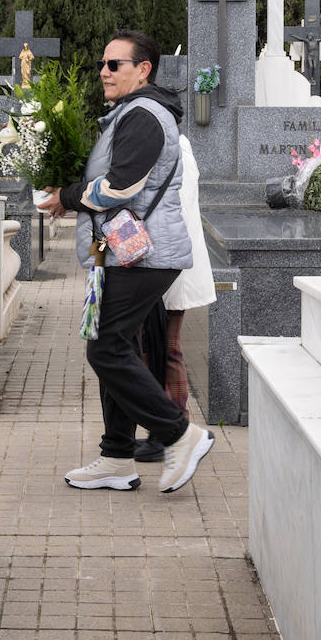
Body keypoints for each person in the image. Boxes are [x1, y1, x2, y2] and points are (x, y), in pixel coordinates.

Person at [37, 30, 213, 494]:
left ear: (144, 69)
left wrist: (67, 196)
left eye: (115, 64)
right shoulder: (129, 114)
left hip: (146, 255)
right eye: (102, 63)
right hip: (123, 252)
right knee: (113, 345)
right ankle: (117, 457)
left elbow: (120, 187)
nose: (104, 71)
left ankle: (178, 434)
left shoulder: (145, 115)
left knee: (107, 349)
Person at [133, 134, 214, 462]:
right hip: (167, 262)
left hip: (169, 263)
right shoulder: (171, 147)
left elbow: (168, 210)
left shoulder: (172, 150)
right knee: (158, 348)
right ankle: (169, 429)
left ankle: (176, 431)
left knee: (166, 349)